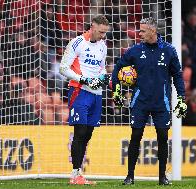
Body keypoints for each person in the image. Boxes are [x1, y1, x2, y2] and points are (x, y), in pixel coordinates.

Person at [111, 17, 187, 185]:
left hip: (162, 103)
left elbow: (178, 76)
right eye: (139, 30)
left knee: (162, 137)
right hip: (140, 102)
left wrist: (182, 98)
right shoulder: (135, 51)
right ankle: (130, 176)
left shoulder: (169, 50)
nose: (139, 33)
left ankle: (162, 177)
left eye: (143, 30)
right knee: (135, 135)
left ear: (153, 31)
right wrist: (116, 91)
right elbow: (117, 68)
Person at [59, 15, 110, 185]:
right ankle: (75, 174)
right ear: (92, 27)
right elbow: (63, 68)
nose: (103, 35)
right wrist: (84, 80)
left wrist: (103, 78)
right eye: (101, 32)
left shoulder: (103, 46)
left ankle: (78, 173)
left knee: (88, 133)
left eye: (105, 32)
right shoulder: (77, 43)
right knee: (80, 132)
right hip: (79, 91)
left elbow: (101, 68)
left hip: (96, 94)